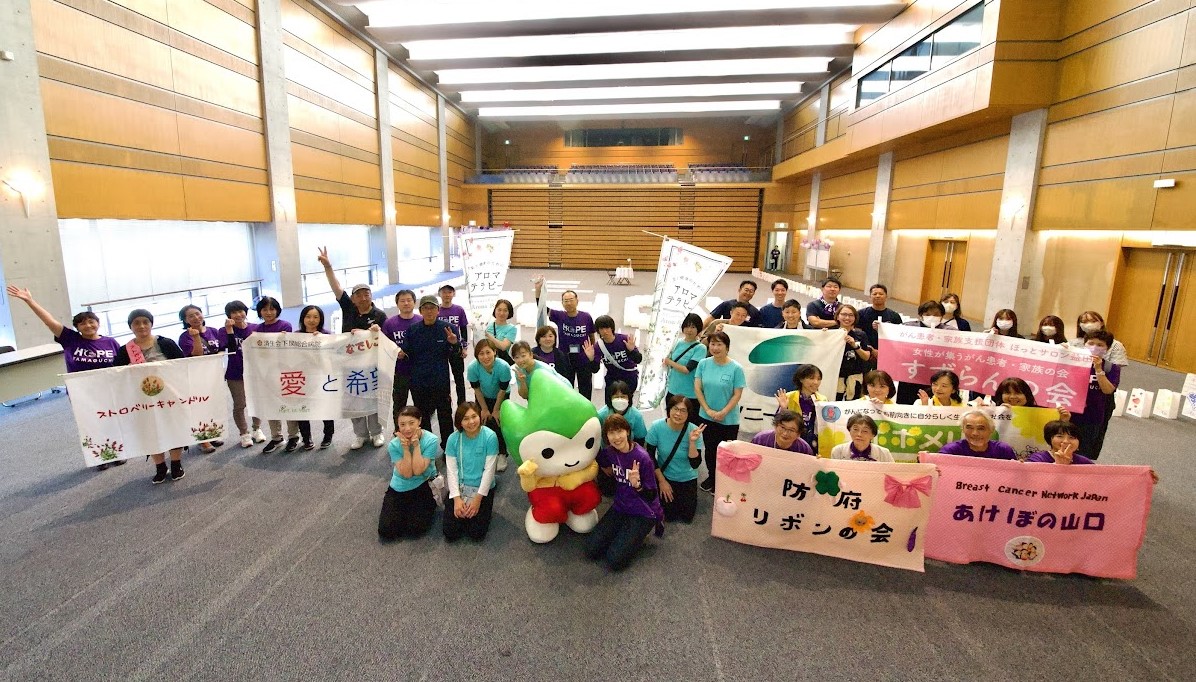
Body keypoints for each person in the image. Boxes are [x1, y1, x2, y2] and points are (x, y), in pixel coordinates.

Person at [6, 285, 125, 471]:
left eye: (91, 321)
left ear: (98, 323)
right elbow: (49, 321)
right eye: (83, 323)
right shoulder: (70, 339)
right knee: (90, 422)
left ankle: (117, 452)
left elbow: (120, 365)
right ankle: (100, 456)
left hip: (107, 389)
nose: (88, 325)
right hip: (82, 391)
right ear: (77, 327)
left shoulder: (110, 342)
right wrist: (29, 300)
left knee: (111, 419)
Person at [317, 246, 387, 447]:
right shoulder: (348, 308)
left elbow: (385, 341)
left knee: (372, 397)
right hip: (348, 362)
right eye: (359, 295)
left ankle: (376, 432)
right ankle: (360, 434)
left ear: (371, 296)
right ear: (353, 298)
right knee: (353, 397)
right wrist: (328, 266)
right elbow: (336, 286)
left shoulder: (380, 315)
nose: (363, 298)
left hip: (371, 364)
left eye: (367, 294)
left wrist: (375, 332)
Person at [115, 309, 187, 483]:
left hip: (169, 397)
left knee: (173, 427)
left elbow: (182, 366)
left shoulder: (165, 343)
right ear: (130, 326)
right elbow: (116, 374)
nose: (141, 326)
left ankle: (176, 463)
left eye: (145, 322)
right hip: (142, 400)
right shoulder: (125, 350)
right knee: (149, 431)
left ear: (151, 324)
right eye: (136, 323)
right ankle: (160, 466)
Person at [586, 414, 664, 571]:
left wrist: (637, 485)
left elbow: (651, 496)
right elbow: (599, 458)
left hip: (643, 511)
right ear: (607, 436)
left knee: (614, 561)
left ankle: (639, 536)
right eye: (611, 433)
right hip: (621, 505)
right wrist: (605, 469)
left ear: (627, 431)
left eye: (619, 431)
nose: (616, 437)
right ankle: (625, 535)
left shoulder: (642, 458)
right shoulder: (610, 452)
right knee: (591, 550)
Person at [401, 296, 460, 450]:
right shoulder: (413, 330)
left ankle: (448, 448)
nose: (429, 311)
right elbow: (405, 353)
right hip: (419, 381)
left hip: (440, 380)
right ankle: (428, 448)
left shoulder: (448, 329)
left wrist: (455, 344)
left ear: (438, 310)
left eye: (432, 308)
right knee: (423, 417)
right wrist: (400, 354)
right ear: (420, 311)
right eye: (425, 308)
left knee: (445, 415)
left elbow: (456, 356)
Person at [693, 331, 746, 494]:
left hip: (728, 419)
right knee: (710, 450)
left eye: (719, 344)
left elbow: (737, 394)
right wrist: (707, 410)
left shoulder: (736, 368)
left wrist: (723, 412)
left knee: (727, 453)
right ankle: (712, 477)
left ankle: (723, 482)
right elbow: (698, 388)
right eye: (712, 344)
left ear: (727, 347)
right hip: (706, 416)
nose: (715, 348)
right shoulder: (703, 364)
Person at [378, 406, 440, 542]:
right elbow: (407, 473)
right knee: (386, 531)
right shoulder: (394, 445)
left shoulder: (431, 440)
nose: (407, 429)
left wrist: (416, 445)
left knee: (416, 529)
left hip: (423, 483)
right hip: (399, 486)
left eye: (411, 423)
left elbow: (417, 471)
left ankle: (422, 506)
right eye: (402, 425)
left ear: (419, 421)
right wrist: (405, 448)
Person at [442, 401, 499, 542]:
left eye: (474, 416)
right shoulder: (453, 439)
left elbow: (489, 471)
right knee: (450, 532)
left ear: (479, 416)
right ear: (459, 422)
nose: (471, 422)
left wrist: (477, 500)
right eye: (465, 419)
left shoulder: (490, 437)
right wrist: (456, 499)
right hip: (461, 487)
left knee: (476, 533)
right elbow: (451, 471)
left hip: (481, 489)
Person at [534, 275, 597, 399]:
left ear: (577, 301)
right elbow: (541, 308)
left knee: (585, 389)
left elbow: (591, 335)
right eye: (565, 301)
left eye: (571, 300)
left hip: (583, 359)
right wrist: (538, 290)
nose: (568, 303)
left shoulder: (586, 317)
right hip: (565, 359)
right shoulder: (559, 316)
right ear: (562, 303)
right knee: (566, 389)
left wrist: (593, 352)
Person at [646, 396, 705, 523]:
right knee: (669, 516)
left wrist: (692, 442)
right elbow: (649, 456)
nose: (678, 414)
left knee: (687, 517)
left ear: (688, 414)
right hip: (666, 475)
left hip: (687, 478)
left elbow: (695, 464)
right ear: (669, 409)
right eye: (675, 409)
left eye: (683, 411)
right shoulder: (656, 427)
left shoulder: (694, 430)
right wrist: (661, 481)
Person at [254, 296, 301, 454]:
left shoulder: (285, 326)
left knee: (288, 403)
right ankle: (276, 437)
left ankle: (293, 436)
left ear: (277, 310)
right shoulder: (258, 329)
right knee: (271, 404)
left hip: (284, 371)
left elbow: (287, 349)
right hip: (267, 372)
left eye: (272, 309)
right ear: (260, 311)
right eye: (265, 309)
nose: (268, 312)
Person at [178, 304, 225, 452]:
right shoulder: (185, 337)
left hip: (214, 375)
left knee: (213, 405)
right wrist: (196, 337)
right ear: (185, 320)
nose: (196, 318)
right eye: (190, 316)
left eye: (197, 314)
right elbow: (197, 354)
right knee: (199, 407)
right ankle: (202, 440)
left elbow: (221, 348)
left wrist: (219, 355)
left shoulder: (213, 331)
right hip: (196, 377)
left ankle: (211, 434)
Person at [221, 300, 265, 448]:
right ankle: (244, 433)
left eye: (241, 311)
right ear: (229, 315)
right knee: (240, 404)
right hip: (235, 373)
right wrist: (230, 331)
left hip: (255, 371)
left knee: (257, 401)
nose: (238, 315)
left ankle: (256, 428)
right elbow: (231, 349)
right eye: (234, 312)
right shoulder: (223, 330)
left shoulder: (255, 328)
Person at [1070, 330, 1120, 460]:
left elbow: (1108, 390)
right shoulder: (1072, 362)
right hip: (1069, 414)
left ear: (1107, 348)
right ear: (1084, 344)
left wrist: (1098, 369)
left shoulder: (1111, 367)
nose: (1094, 347)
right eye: (1091, 343)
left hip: (1092, 417)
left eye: (1100, 345)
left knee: (1083, 454)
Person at [466, 339, 511, 472]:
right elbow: (476, 389)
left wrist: (496, 409)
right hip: (483, 396)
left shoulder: (503, 367)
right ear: (477, 355)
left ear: (494, 352)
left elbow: (502, 390)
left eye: (488, 352)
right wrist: (484, 409)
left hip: (501, 396)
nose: (485, 357)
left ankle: (502, 453)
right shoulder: (473, 368)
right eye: (481, 353)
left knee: (498, 422)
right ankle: (485, 452)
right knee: (483, 422)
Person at [294, 305, 335, 450]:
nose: (312, 320)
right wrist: (282, 338)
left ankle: (328, 435)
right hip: (301, 378)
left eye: (316, 317)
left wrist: (323, 340)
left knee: (325, 407)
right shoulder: (295, 336)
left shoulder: (326, 335)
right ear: (303, 318)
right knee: (302, 408)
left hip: (321, 377)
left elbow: (334, 354)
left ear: (321, 319)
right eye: (308, 317)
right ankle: (306, 438)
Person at [894, 301, 949, 404]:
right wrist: (881, 328)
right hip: (910, 375)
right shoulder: (908, 327)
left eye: (936, 314)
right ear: (920, 315)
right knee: (906, 405)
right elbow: (891, 333)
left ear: (942, 316)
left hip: (936, 378)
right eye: (928, 314)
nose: (932, 317)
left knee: (932, 405)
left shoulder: (950, 331)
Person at [381, 289, 418, 432]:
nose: (406, 303)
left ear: (414, 302)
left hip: (419, 371)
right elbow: (384, 345)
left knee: (421, 404)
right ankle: (398, 432)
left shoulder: (421, 320)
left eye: (409, 300)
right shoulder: (390, 323)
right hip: (399, 371)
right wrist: (395, 352)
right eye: (402, 301)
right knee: (399, 404)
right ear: (397, 304)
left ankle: (421, 432)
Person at [663, 313, 707, 424]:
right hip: (672, 391)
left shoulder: (700, 348)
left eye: (693, 327)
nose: (689, 330)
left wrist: (669, 362)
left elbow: (687, 369)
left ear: (698, 329)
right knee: (671, 422)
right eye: (687, 326)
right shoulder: (677, 342)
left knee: (688, 426)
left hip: (690, 395)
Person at [775, 364, 827, 454]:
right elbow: (778, 422)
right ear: (801, 379)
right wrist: (783, 408)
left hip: (813, 441)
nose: (816, 382)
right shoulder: (789, 397)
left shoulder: (823, 400)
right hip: (792, 440)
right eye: (811, 378)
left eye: (819, 379)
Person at [933, 410, 1017, 460]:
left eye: (981, 428)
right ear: (963, 429)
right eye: (969, 428)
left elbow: (1015, 476)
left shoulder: (1003, 450)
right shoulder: (951, 451)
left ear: (991, 430)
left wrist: (1020, 467)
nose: (975, 433)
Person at [437, 284, 469, 406]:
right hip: (441, 350)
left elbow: (463, 330)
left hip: (456, 348)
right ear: (440, 294)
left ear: (453, 294)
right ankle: (445, 405)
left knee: (459, 378)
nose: (447, 295)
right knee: (442, 379)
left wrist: (464, 348)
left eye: (449, 292)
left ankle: (462, 405)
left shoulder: (459, 310)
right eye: (444, 292)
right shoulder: (436, 311)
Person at [594, 315, 642, 396]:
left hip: (629, 377)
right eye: (601, 329)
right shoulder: (598, 346)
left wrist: (631, 351)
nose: (605, 331)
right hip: (612, 379)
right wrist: (591, 359)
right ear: (598, 331)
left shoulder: (624, 339)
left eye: (607, 328)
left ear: (612, 328)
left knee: (626, 402)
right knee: (610, 402)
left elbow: (638, 360)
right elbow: (595, 369)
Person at [835, 305, 872, 400]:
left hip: (855, 377)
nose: (847, 318)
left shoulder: (861, 335)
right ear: (838, 316)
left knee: (853, 404)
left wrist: (855, 345)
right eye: (844, 314)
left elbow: (866, 356)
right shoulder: (832, 333)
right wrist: (824, 334)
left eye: (851, 315)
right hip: (836, 376)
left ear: (855, 318)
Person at [992, 377, 1070, 421]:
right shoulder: (992, 411)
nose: (1012, 397)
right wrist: (999, 412)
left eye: (1018, 393)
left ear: (1027, 395)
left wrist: (1063, 420)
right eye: (1007, 393)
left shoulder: (1040, 414)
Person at [857, 283, 903, 351]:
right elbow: (858, 333)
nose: (877, 296)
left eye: (881, 294)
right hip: (865, 350)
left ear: (886, 297)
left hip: (887, 350)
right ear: (870, 297)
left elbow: (898, 335)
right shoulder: (861, 313)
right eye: (874, 294)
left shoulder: (894, 316)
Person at [1026, 420, 1094, 465]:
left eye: (1072, 437)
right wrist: (1057, 465)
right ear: (1049, 439)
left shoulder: (1084, 462)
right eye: (1060, 436)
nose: (1066, 441)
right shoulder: (1038, 458)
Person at [484, 299, 518, 364]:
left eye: (505, 310)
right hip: (486, 361)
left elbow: (503, 346)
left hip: (501, 363)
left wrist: (487, 335)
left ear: (509, 312)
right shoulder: (487, 326)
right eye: (499, 310)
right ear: (495, 310)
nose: (502, 313)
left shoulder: (512, 328)